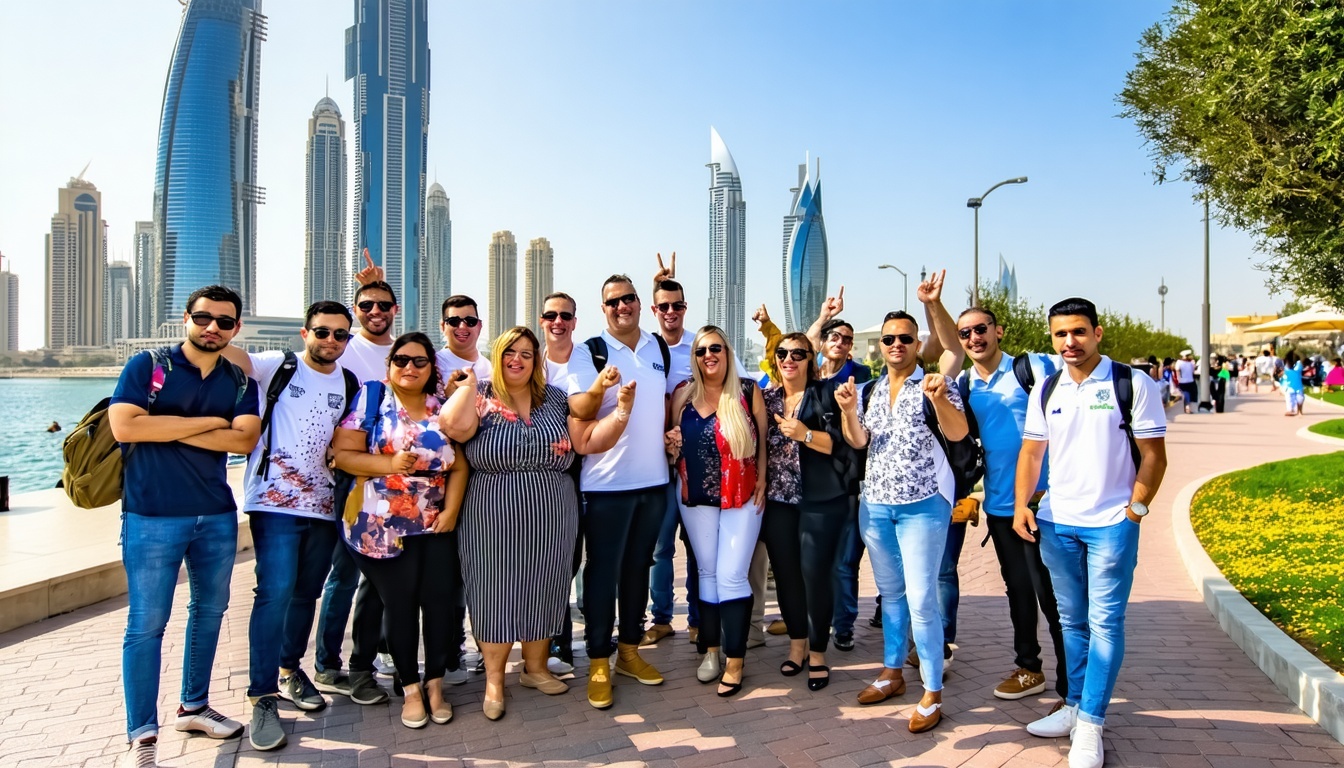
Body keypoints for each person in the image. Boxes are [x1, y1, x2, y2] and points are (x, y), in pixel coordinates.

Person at [108, 285, 262, 768]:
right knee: (146, 625)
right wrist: (208, 425)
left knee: (209, 613)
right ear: (186, 319)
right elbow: (125, 427)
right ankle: (143, 735)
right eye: (204, 318)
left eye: (224, 321)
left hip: (216, 514)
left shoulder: (240, 382)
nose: (213, 327)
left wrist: (167, 423)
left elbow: (244, 440)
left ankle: (193, 707)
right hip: (150, 514)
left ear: (236, 328)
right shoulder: (149, 367)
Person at [448, 326, 636, 719]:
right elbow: (454, 428)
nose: (517, 359)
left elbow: (585, 442)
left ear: (537, 361)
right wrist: (467, 386)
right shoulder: (478, 394)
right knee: (492, 590)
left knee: (546, 585)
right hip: (490, 511)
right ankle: (495, 679)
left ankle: (534, 668)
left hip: (553, 510)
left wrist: (620, 410)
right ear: (497, 356)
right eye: (509, 352)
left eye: (527, 353)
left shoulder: (554, 399)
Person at [1016, 297, 1168, 768]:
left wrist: (1135, 511)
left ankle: (1092, 725)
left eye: (1079, 332)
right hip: (1058, 523)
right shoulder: (1046, 388)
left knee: (1105, 624)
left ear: (1097, 333)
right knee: (1071, 621)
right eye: (1060, 334)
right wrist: (1023, 505)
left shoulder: (1130, 382)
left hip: (1111, 526)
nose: (1069, 342)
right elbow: (1031, 454)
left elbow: (1154, 455)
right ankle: (1075, 707)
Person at [218, 301, 358, 751]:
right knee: (273, 592)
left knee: (305, 594)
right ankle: (262, 696)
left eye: (340, 334)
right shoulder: (277, 364)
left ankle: (289, 668)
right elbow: (225, 351)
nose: (330, 341)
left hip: (323, 506)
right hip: (274, 502)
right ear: (305, 332)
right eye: (322, 332)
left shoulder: (349, 382)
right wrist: (214, 326)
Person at [836, 309, 967, 734]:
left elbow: (959, 432)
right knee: (891, 595)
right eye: (889, 339)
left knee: (921, 600)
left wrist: (939, 399)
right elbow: (859, 441)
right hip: (875, 506)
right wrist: (847, 411)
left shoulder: (933, 383)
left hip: (924, 505)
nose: (895, 345)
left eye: (905, 339)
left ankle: (931, 691)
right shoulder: (870, 389)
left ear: (917, 345)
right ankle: (893, 672)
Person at [332, 332, 468, 730]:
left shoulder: (443, 406)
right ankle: (410, 687)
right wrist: (390, 465)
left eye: (420, 361)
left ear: (432, 368)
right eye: (402, 360)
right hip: (382, 526)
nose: (410, 368)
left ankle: (437, 684)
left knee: (440, 605)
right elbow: (344, 456)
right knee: (401, 605)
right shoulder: (372, 399)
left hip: (435, 523)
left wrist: (453, 511)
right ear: (390, 365)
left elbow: (459, 465)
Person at [565, 274, 674, 710]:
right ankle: (597, 658)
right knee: (602, 573)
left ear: (641, 304)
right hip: (606, 485)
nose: (622, 306)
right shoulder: (588, 351)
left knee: (637, 570)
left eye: (629, 298)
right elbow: (580, 408)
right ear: (603, 307)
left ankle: (629, 650)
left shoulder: (657, 348)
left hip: (653, 482)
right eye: (613, 301)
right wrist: (602, 386)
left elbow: (670, 400)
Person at [952, 307, 1068, 709]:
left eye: (980, 329)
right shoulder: (966, 384)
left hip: (1047, 506)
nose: (973, 338)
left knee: (1053, 597)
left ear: (998, 331)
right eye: (964, 333)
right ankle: (1029, 669)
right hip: (1002, 507)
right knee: (1018, 591)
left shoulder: (1032, 367)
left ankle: (1072, 683)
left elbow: (1080, 369)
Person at [664, 326, 767, 696]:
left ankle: (735, 662)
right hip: (695, 496)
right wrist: (671, 445)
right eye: (702, 349)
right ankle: (711, 652)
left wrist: (763, 480)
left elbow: (762, 440)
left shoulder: (747, 391)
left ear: (727, 352)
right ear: (694, 356)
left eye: (717, 348)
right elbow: (671, 446)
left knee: (731, 575)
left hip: (741, 496)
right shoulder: (682, 395)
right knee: (707, 572)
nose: (709, 355)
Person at [758, 333, 851, 692]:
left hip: (821, 501)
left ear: (810, 359)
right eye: (782, 353)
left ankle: (817, 652)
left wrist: (805, 434)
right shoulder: (767, 399)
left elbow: (843, 443)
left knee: (815, 574)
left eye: (798, 353)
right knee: (786, 575)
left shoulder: (826, 392)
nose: (789, 359)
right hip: (780, 501)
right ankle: (797, 645)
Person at [804, 286, 873, 653]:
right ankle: (815, 621)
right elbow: (802, 342)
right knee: (815, 561)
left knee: (845, 562)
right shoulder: (810, 376)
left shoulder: (859, 376)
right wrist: (824, 316)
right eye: (835, 336)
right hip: (813, 486)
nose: (841, 343)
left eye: (847, 339)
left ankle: (843, 626)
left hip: (849, 483)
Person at [538, 291, 584, 673]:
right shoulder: (528, 365)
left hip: (585, 472)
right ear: (542, 321)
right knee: (544, 564)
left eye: (565, 315)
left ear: (574, 321)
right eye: (551, 315)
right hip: (543, 479)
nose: (558, 321)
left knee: (571, 561)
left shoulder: (587, 361)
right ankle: (551, 644)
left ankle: (561, 643)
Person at [438, 295, 493, 379]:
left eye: (471, 321)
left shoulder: (490, 368)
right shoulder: (432, 365)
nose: (462, 326)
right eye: (454, 321)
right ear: (443, 326)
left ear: (479, 325)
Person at [1280, 350, 1305, 416]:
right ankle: (1297, 410)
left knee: (1290, 399)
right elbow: (1302, 359)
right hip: (1298, 386)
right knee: (1299, 399)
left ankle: (1290, 410)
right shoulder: (1299, 366)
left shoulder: (1287, 367)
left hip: (1290, 386)